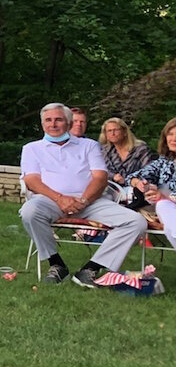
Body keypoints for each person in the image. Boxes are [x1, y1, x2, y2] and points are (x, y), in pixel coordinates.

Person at [20, 102, 146, 285]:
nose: (53, 124)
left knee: (137, 222)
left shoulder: (89, 146)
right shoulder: (31, 148)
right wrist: (60, 199)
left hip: (91, 201)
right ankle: (56, 264)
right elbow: (32, 181)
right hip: (49, 201)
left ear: (69, 124)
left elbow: (100, 177)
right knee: (29, 212)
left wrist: (84, 200)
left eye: (58, 120)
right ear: (42, 124)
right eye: (48, 120)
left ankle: (91, 269)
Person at [127, 118, 176, 246]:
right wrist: (139, 182)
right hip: (168, 209)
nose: (173, 139)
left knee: (163, 205)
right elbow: (134, 176)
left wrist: (165, 196)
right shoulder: (165, 161)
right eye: (170, 134)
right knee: (162, 205)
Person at [99, 117, 149, 187]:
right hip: (115, 190)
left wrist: (131, 180)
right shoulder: (104, 151)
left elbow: (149, 169)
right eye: (109, 131)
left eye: (116, 130)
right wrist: (113, 176)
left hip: (139, 187)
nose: (113, 133)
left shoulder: (140, 148)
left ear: (125, 132)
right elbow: (100, 171)